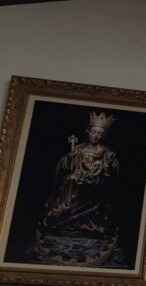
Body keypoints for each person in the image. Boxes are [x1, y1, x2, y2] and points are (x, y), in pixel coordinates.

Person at [30, 110, 126, 267]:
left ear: (104, 135)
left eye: (100, 133)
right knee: (71, 180)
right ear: (88, 131)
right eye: (94, 132)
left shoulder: (108, 154)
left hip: (96, 190)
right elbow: (64, 166)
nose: (96, 136)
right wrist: (69, 158)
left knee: (89, 187)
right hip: (74, 188)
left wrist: (108, 166)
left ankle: (90, 223)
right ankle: (63, 216)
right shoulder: (79, 149)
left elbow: (113, 175)